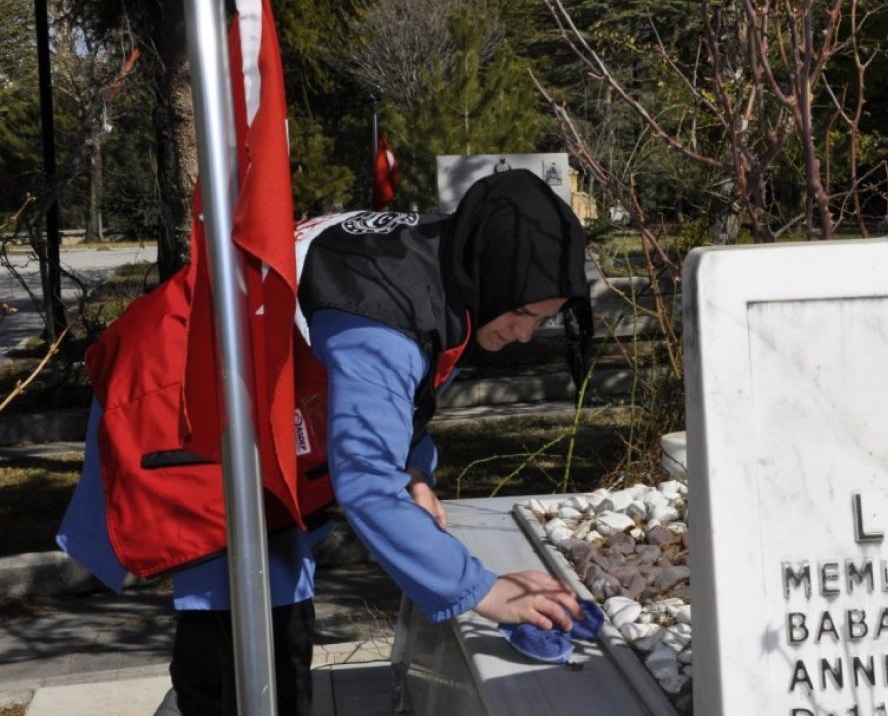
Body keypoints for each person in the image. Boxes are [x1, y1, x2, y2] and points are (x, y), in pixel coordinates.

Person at [59, 169, 590, 716]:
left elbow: (401, 401)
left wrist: (414, 469)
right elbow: (366, 482)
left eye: (543, 320)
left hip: (237, 402)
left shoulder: (448, 256)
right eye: (523, 313)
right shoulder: (381, 318)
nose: (525, 335)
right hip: (181, 405)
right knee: (246, 638)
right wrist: (482, 591)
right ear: (495, 274)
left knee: (265, 614)